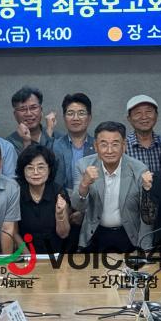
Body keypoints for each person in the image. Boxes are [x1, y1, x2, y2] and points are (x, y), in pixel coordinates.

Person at [71, 121, 153, 252]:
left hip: (128, 235)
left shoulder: (139, 169)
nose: (109, 150)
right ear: (95, 146)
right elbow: (77, 206)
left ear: (124, 146)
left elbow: (146, 215)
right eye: (103, 144)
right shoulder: (83, 165)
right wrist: (84, 184)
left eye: (115, 144)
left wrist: (145, 248)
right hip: (95, 234)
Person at [51, 93, 96, 252]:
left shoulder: (98, 146)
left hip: (92, 210)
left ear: (89, 118)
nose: (76, 118)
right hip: (63, 210)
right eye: (70, 113)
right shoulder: (55, 146)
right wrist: (67, 209)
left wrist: (84, 211)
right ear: (64, 118)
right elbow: (54, 183)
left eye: (81, 113)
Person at [16, 145, 70, 254]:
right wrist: (29, 256)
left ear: (49, 169)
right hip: (24, 254)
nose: (35, 172)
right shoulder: (16, 193)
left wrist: (60, 215)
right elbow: (13, 232)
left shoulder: (59, 192)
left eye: (41, 167)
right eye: (30, 168)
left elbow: (63, 234)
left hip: (55, 254)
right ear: (23, 170)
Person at [6, 86, 60, 154]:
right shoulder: (9, 144)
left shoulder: (59, 138)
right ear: (15, 115)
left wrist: (49, 133)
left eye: (33, 108)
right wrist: (26, 142)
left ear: (41, 110)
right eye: (22, 109)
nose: (29, 114)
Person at [125, 94, 161, 173]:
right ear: (129, 119)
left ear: (156, 115)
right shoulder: (123, 147)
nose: (144, 117)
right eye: (138, 113)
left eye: (149, 111)